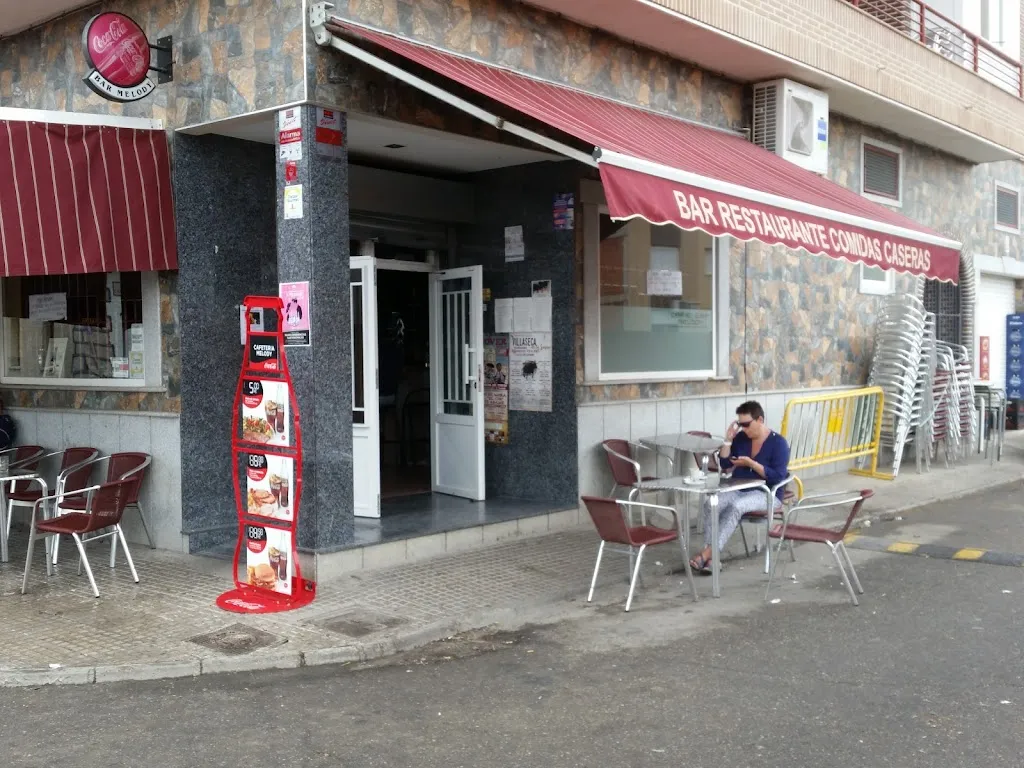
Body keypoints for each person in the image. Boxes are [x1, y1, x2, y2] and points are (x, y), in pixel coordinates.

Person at [689, 400, 789, 574]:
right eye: (740, 424)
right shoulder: (741, 438)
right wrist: (728, 440)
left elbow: (778, 477)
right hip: (739, 488)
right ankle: (712, 559)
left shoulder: (778, 443)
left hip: (767, 493)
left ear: (760, 420)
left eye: (747, 424)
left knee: (736, 506)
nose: (743, 428)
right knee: (710, 504)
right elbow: (725, 463)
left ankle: (707, 554)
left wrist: (752, 464)